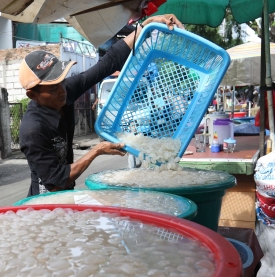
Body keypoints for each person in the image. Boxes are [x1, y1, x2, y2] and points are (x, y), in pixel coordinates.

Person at [18, 14, 184, 197]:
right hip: (44, 203)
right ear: (33, 95)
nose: (62, 90)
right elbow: (56, 182)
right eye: (53, 87)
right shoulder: (33, 130)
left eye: (62, 80)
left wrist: (145, 26)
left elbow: (108, 63)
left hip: (66, 195)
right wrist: (96, 150)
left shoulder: (64, 92)